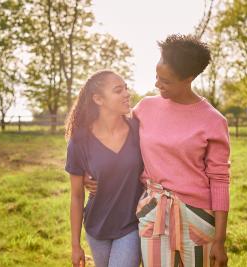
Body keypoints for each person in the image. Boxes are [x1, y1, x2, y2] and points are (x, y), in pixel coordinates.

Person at [85, 34, 230, 267]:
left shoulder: (213, 121)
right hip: (154, 212)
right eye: (156, 76)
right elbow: (110, 134)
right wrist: (87, 170)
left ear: (189, 79)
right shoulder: (146, 107)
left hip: (198, 217)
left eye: (166, 81)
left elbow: (220, 180)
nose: (157, 84)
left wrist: (220, 241)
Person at [65, 70, 144, 267]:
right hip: (96, 227)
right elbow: (76, 196)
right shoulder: (79, 140)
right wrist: (75, 245)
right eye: (118, 90)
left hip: (131, 224)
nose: (127, 94)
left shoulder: (139, 129)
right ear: (98, 99)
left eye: (126, 88)